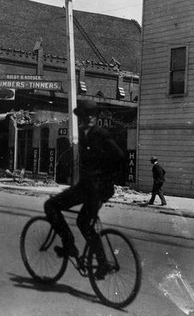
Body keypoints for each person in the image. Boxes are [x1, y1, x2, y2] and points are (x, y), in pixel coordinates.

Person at [44, 100, 125, 279]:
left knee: (51, 206)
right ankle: (101, 263)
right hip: (87, 187)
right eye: (85, 115)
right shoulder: (81, 134)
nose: (88, 118)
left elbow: (119, 156)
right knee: (82, 222)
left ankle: (70, 246)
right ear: (80, 117)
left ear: (96, 117)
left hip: (97, 188)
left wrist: (104, 176)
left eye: (92, 115)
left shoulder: (101, 134)